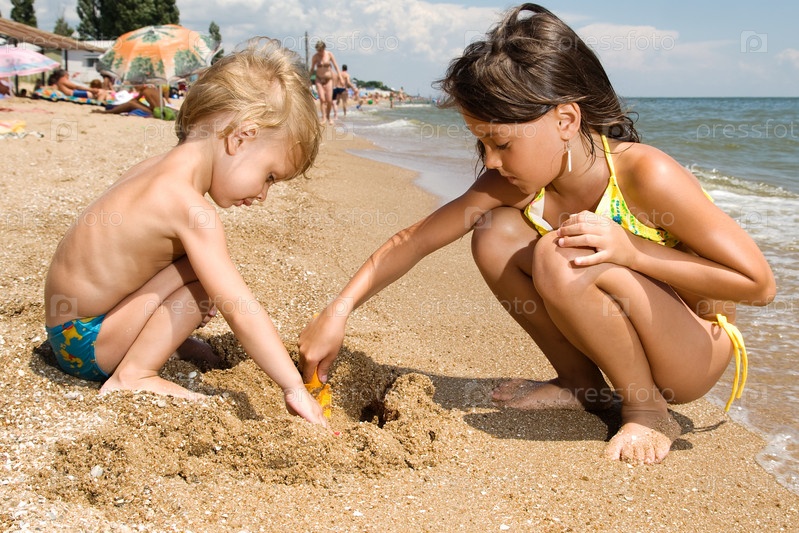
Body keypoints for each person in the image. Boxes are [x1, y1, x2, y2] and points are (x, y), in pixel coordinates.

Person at [298, 4, 776, 463]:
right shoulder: (515, 183)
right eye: (481, 143)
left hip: (693, 351)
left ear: (565, 120)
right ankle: (580, 384)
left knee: (558, 253)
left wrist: (631, 250)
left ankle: (648, 411)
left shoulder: (646, 175)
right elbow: (416, 240)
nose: (490, 161)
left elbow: (758, 285)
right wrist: (337, 312)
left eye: (501, 143)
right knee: (494, 232)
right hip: (633, 337)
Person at [44, 38, 328, 427]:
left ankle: (151, 345)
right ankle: (135, 374)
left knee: (198, 269)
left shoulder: (153, 168)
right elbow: (239, 308)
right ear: (240, 137)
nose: (263, 195)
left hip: (67, 331)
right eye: (269, 176)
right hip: (87, 345)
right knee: (208, 283)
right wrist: (292, 386)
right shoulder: (192, 211)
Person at [310, 41, 341, 125]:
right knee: (322, 99)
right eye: (318, 50)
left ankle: (328, 116)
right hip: (319, 79)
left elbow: (336, 66)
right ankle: (323, 117)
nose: (319, 52)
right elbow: (312, 68)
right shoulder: (315, 57)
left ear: (324, 48)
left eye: (321, 50)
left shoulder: (329, 54)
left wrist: (340, 77)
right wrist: (308, 78)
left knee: (329, 100)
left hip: (328, 80)